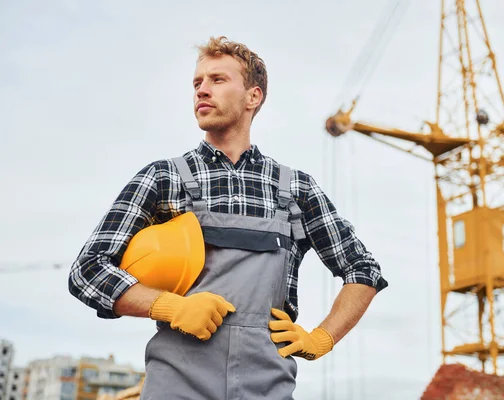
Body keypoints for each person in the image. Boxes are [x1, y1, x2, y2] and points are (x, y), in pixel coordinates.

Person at [68, 36, 388, 399]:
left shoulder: (296, 189)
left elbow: (363, 269)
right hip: (176, 387)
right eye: (197, 83)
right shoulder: (163, 178)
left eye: (217, 80)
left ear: (253, 96)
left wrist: (321, 338)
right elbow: (87, 270)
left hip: (267, 387)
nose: (202, 90)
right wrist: (171, 307)